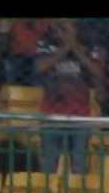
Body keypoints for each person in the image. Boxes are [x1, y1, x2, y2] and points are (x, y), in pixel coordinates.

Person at [36, 20, 103, 175]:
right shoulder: (46, 41)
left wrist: (75, 47)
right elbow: (40, 67)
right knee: (49, 164)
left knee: (79, 165)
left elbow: (97, 71)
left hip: (80, 114)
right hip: (51, 114)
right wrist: (65, 48)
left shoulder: (88, 41)